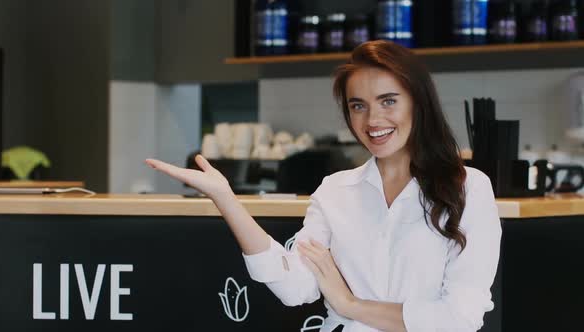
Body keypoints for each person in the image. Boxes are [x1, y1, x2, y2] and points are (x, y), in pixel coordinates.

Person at [145, 40, 501, 332]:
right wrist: (226, 198)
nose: (373, 120)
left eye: (388, 101)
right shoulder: (335, 191)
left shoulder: (469, 189)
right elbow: (295, 287)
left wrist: (350, 305)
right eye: (357, 106)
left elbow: (458, 318)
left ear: (418, 103)